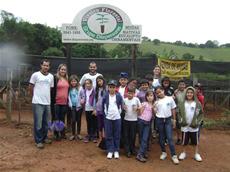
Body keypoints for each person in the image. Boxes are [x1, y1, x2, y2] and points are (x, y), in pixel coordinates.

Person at [29, 59, 54, 149]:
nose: (46, 67)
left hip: (47, 103)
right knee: (38, 123)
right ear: (41, 65)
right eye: (44, 65)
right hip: (37, 102)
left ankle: (44, 137)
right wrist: (34, 97)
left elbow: (50, 89)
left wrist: (46, 98)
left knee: (46, 122)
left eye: (47, 66)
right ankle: (38, 141)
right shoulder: (35, 75)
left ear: (49, 67)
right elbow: (31, 87)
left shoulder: (51, 76)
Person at [154, 86, 179, 165]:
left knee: (170, 138)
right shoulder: (156, 102)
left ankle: (174, 155)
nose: (159, 93)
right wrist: (154, 110)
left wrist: (174, 120)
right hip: (159, 120)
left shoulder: (170, 98)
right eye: (157, 93)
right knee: (161, 138)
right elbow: (155, 113)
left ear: (163, 91)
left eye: (160, 91)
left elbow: (173, 109)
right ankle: (164, 152)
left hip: (168, 120)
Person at [178, 86, 204, 162]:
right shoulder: (182, 103)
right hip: (185, 126)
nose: (189, 94)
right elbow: (179, 113)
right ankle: (183, 153)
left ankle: (196, 154)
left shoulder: (197, 103)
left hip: (194, 126)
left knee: (195, 142)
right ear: (185, 94)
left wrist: (197, 122)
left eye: (191, 93)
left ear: (194, 94)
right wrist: (181, 120)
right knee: (184, 141)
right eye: (188, 93)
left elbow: (201, 114)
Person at [102, 80, 123, 159]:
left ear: (116, 88)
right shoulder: (105, 96)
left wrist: (118, 114)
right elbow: (103, 106)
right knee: (109, 134)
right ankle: (110, 150)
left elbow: (121, 105)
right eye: (110, 87)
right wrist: (106, 115)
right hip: (108, 118)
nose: (112, 89)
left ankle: (116, 150)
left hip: (117, 118)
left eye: (113, 87)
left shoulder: (118, 96)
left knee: (117, 134)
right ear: (108, 88)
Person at [51, 64, 69, 140]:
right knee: (56, 118)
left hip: (64, 102)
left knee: (62, 118)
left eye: (64, 69)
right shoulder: (55, 78)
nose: (63, 71)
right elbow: (52, 89)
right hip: (56, 102)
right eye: (62, 69)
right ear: (59, 70)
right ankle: (56, 134)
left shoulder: (67, 79)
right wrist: (53, 100)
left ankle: (62, 133)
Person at [136, 90, 155, 163]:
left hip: (148, 123)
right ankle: (142, 152)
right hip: (141, 121)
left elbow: (154, 115)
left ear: (153, 97)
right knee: (141, 138)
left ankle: (140, 154)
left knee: (145, 138)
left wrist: (153, 109)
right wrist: (139, 109)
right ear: (146, 97)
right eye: (148, 96)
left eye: (151, 96)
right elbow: (139, 113)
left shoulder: (153, 105)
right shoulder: (144, 103)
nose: (150, 97)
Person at [123, 87, 141, 158]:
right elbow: (122, 107)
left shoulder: (136, 99)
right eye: (128, 93)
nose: (130, 95)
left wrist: (137, 108)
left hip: (134, 120)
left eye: (131, 93)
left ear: (134, 94)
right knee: (126, 135)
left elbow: (141, 107)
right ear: (126, 93)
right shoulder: (124, 100)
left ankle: (132, 149)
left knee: (133, 135)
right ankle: (127, 150)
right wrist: (123, 108)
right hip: (126, 120)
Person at [68, 75, 84, 141]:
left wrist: (82, 100)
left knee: (79, 120)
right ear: (70, 82)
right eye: (72, 81)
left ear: (77, 81)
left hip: (79, 107)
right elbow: (68, 97)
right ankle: (73, 134)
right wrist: (70, 104)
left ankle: (78, 133)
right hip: (72, 107)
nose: (73, 82)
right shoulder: (69, 89)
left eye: (75, 81)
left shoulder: (80, 88)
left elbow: (83, 96)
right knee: (73, 120)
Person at [82, 79, 97, 143]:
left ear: (91, 84)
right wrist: (82, 100)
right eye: (86, 84)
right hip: (87, 109)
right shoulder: (84, 91)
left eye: (88, 83)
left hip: (93, 109)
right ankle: (89, 135)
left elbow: (97, 100)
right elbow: (83, 98)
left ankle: (93, 136)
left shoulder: (95, 91)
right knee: (88, 122)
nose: (87, 85)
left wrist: (95, 109)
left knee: (94, 123)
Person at [174, 79, 186, 145]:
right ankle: (179, 138)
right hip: (178, 111)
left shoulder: (187, 92)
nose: (181, 86)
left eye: (183, 84)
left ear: (185, 85)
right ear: (178, 85)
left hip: (186, 111)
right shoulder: (176, 92)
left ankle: (185, 138)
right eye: (180, 84)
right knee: (178, 126)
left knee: (185, 124)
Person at [95, 75, 106, 145]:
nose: (99, 82)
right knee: (99, 125)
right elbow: (95, 100)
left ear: (103, 81)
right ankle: (100, 139)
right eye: (98, 81)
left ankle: (105, 139)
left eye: (100, 81)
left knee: (105, 125)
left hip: (105, 111)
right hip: (98, 110)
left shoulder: (107, 89)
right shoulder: (96, 90)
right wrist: (95, 109)